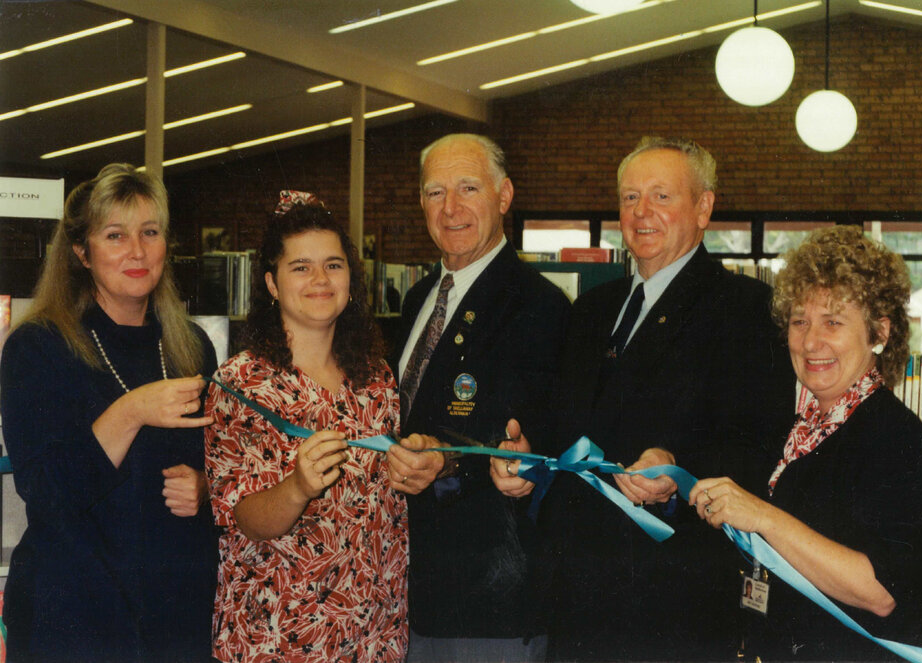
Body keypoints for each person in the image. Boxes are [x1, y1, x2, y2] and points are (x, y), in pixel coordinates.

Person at [494, 137, 797, 661]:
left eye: (661, 196)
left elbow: (759, 443)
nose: (642, 213)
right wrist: (523, 458)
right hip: (573, 600)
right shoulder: (590, 309)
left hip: (674, 604)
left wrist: (678, 469)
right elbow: (567, 427)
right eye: (630, 198)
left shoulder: (746, 310)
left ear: (704, 207)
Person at [689, 225, 922, 661]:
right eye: (799, 321)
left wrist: (763, 518)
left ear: (879, 333)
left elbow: (882, 592)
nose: (810, 341)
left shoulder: (899, 441)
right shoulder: (794, 426)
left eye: (833, 322)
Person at [0, 163, 219, 662]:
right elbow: (45, 491)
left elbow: (222, 469)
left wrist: (205, 488)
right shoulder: (37, 348)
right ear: (82, 252)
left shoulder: (192, 347)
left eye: (150, 232)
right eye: (115, 235)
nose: (137, 251)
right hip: (74, 619)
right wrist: (132, 410)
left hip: (175, 617)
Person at [385, 133, 571, 662]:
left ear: (504, 196)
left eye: (468, 188)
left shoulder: (539, 306)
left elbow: (521, 437)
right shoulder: (419, 298)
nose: (451, 208)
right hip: (409, 588)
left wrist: (445, 460)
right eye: (434, 192)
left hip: (488, 598)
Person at [204, 198, 407, 663]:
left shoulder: (377, 379)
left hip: (374, 631)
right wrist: (297, 487)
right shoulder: (240, 385)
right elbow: (244, 518)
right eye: (301, 267)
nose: (320, 280)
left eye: (333, 265)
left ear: (350, 280)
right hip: (279, 634)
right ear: (272, 284)